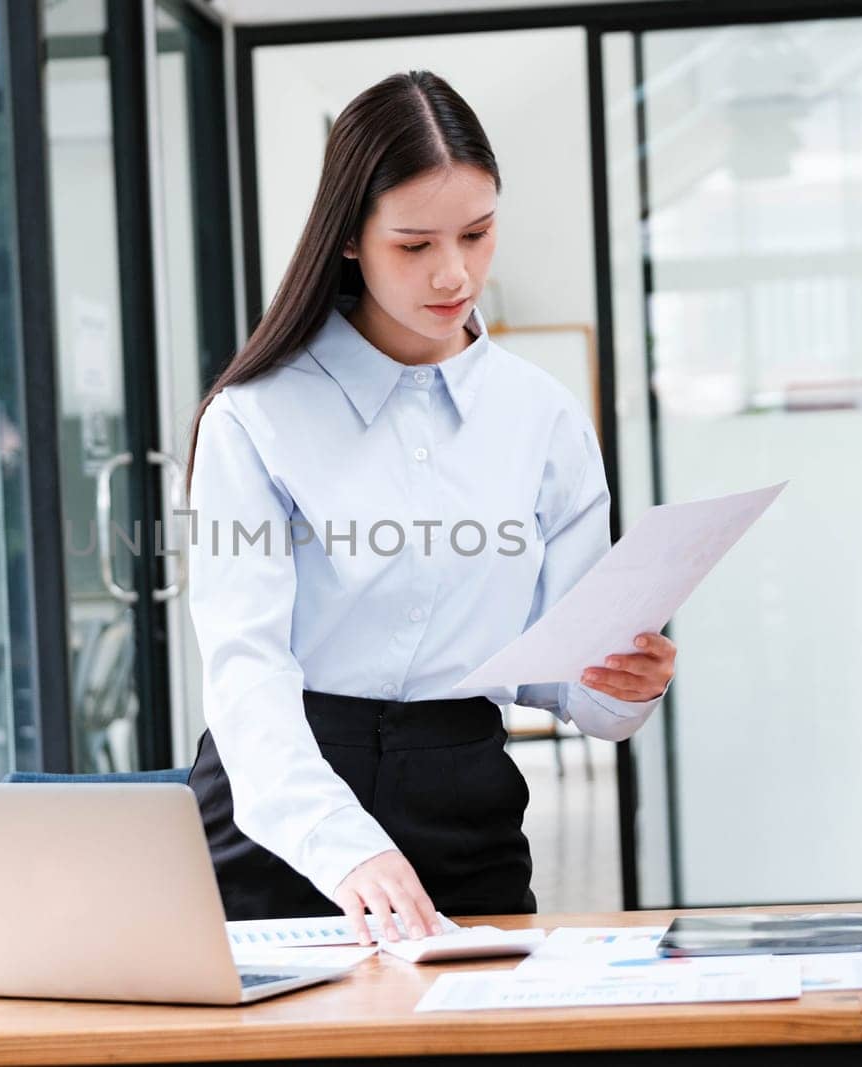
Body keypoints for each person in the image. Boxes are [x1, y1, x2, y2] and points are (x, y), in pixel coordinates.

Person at [182, 70, 675, 946]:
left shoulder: (543, 416)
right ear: (349, 241)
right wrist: (342, 848)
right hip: (281, 822)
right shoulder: (255, 416)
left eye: (478, 235)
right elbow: (246, 674)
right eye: (414, 245)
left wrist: (622, 686)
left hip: (466, 805)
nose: (455, 273)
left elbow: (562, 673)